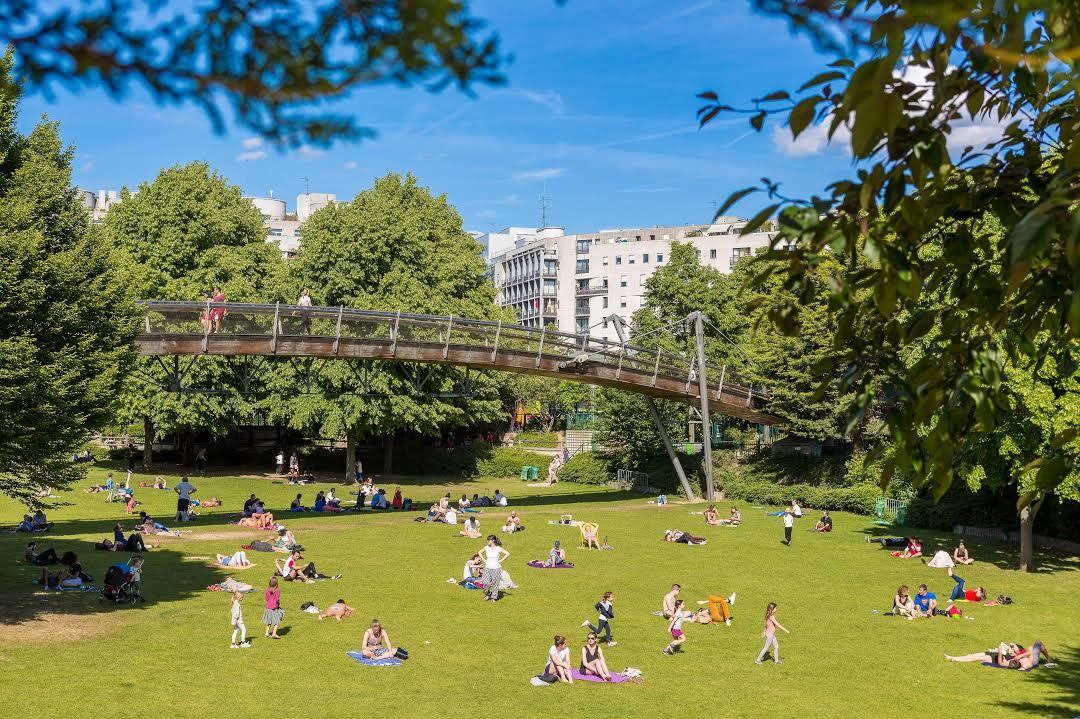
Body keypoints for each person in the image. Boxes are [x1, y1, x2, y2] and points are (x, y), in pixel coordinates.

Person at [480, 535, 509, 602]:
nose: (487, 542)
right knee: (485, 582)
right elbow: (479, 552)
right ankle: (487, 594)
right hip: (487, 568)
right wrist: (484, 560)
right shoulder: (486, 547)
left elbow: (507, 553)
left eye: (488, 540)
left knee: (495, 583)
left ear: (493, 541)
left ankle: (494, 597)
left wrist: (501, 560)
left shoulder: (498, 548)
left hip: (496, 568)